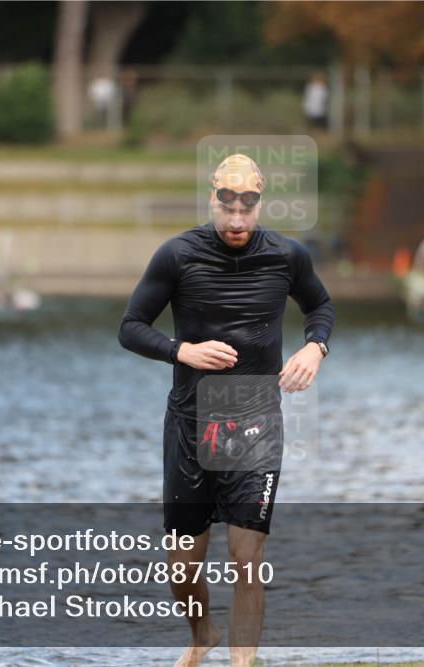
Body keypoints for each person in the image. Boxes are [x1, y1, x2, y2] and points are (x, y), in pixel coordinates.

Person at [119, 154, 334, 667]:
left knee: (246, 557)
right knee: (183, 565)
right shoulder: (176, 255)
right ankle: (202, 634)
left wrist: (314, 348)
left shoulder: (287, 256)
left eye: (248, 207)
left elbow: (320, 308)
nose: (237, 220)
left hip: (256, 422)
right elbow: (130, 326)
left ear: (259, 203)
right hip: (192, 426)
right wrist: (181, 350)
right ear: (213, 199)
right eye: (227, 206)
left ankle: (244, 664)